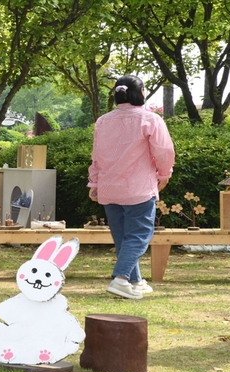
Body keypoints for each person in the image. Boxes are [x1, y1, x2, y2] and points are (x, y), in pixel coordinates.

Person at [87, 75, 175, 299]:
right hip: (138, 188)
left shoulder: (103, 121)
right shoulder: (150, 119)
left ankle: (135, 281)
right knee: (140, 235)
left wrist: (94, 181)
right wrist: (164, 174)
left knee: (123, 238)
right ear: (141, 92)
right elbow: (164, 151)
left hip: (109, 187)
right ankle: (121, 278)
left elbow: (96, 156)